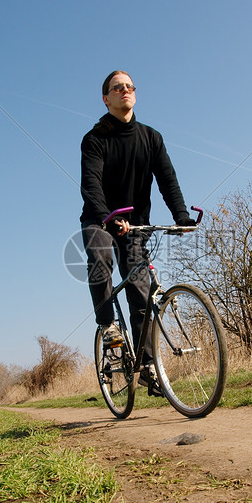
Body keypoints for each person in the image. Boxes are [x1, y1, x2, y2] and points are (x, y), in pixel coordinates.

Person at [80, 70, 195, 387]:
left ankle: (147, 367)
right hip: (99, 219)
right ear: (106, 98)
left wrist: (181, 216)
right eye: (117, 87)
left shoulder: (151, 138)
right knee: (100, 259)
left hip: (135, 226)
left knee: (141, 293)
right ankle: (108, 327)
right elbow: (91, 185)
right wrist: (106, 216)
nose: (125, 90)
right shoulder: (95, 140)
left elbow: (167, 181)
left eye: (129, 86)